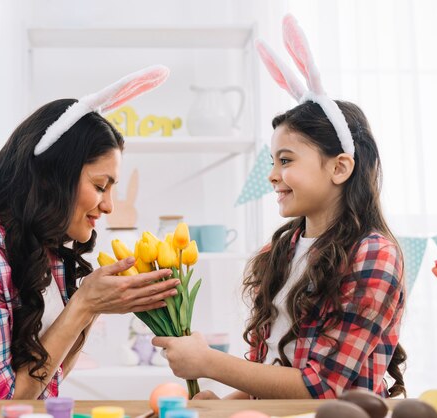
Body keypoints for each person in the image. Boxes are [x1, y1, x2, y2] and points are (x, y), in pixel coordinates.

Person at [0, 65, 180, 400]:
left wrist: (94, 306)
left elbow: (47, 379)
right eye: (100, 186)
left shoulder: (40, 247)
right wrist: (83, 305)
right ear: (51, 177)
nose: (109, 206)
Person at [152, 16, 406, 399]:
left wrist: (208, 362)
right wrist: (224, 406)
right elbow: (275, 367)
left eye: (285, 161)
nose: (272, 175)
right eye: (272, 161)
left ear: (339, 167)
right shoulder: (282, 250)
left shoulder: (373, 255)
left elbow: (323, 386)